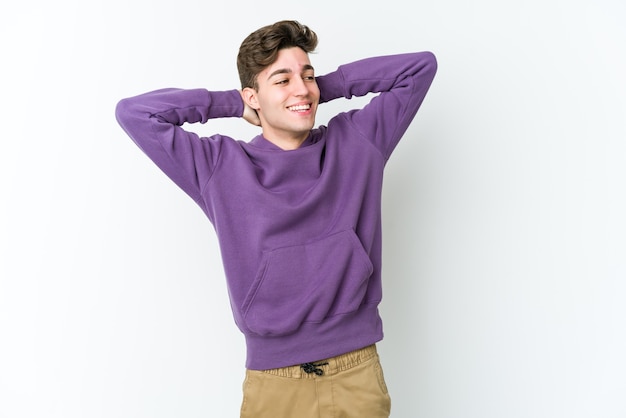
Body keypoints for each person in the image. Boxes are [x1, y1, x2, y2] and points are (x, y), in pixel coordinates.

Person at [115, 20, 437, 418]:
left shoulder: (357, 141)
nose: (301, 89)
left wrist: (316, 89)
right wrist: (233, 103)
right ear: (253, 96)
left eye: (308, 75)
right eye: (281, 80)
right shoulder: (219, 166)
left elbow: (419, 67)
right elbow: (134, 113)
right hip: (274, 381)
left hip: (356, 372)